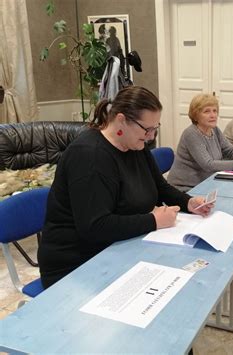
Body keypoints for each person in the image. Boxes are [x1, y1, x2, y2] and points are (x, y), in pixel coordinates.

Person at [38, 86, 213, 289]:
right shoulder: (89, 156)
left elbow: (160, 187)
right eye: (147, 129)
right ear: (121, 120)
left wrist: (188, 202)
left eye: (155, 128)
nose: (151, 136)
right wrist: (153, 221)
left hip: (119, 246)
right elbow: (94, 226)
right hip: (76, 263)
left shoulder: (135, 145)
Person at [167, 94, 233, 191]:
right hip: (185, 188)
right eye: (207, 111)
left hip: (207, 181)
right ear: (195, 115)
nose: (213, 115)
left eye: (215, 111)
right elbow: (208, 165)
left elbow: (229, 150)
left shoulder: (214, 129)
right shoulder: (191, 134)